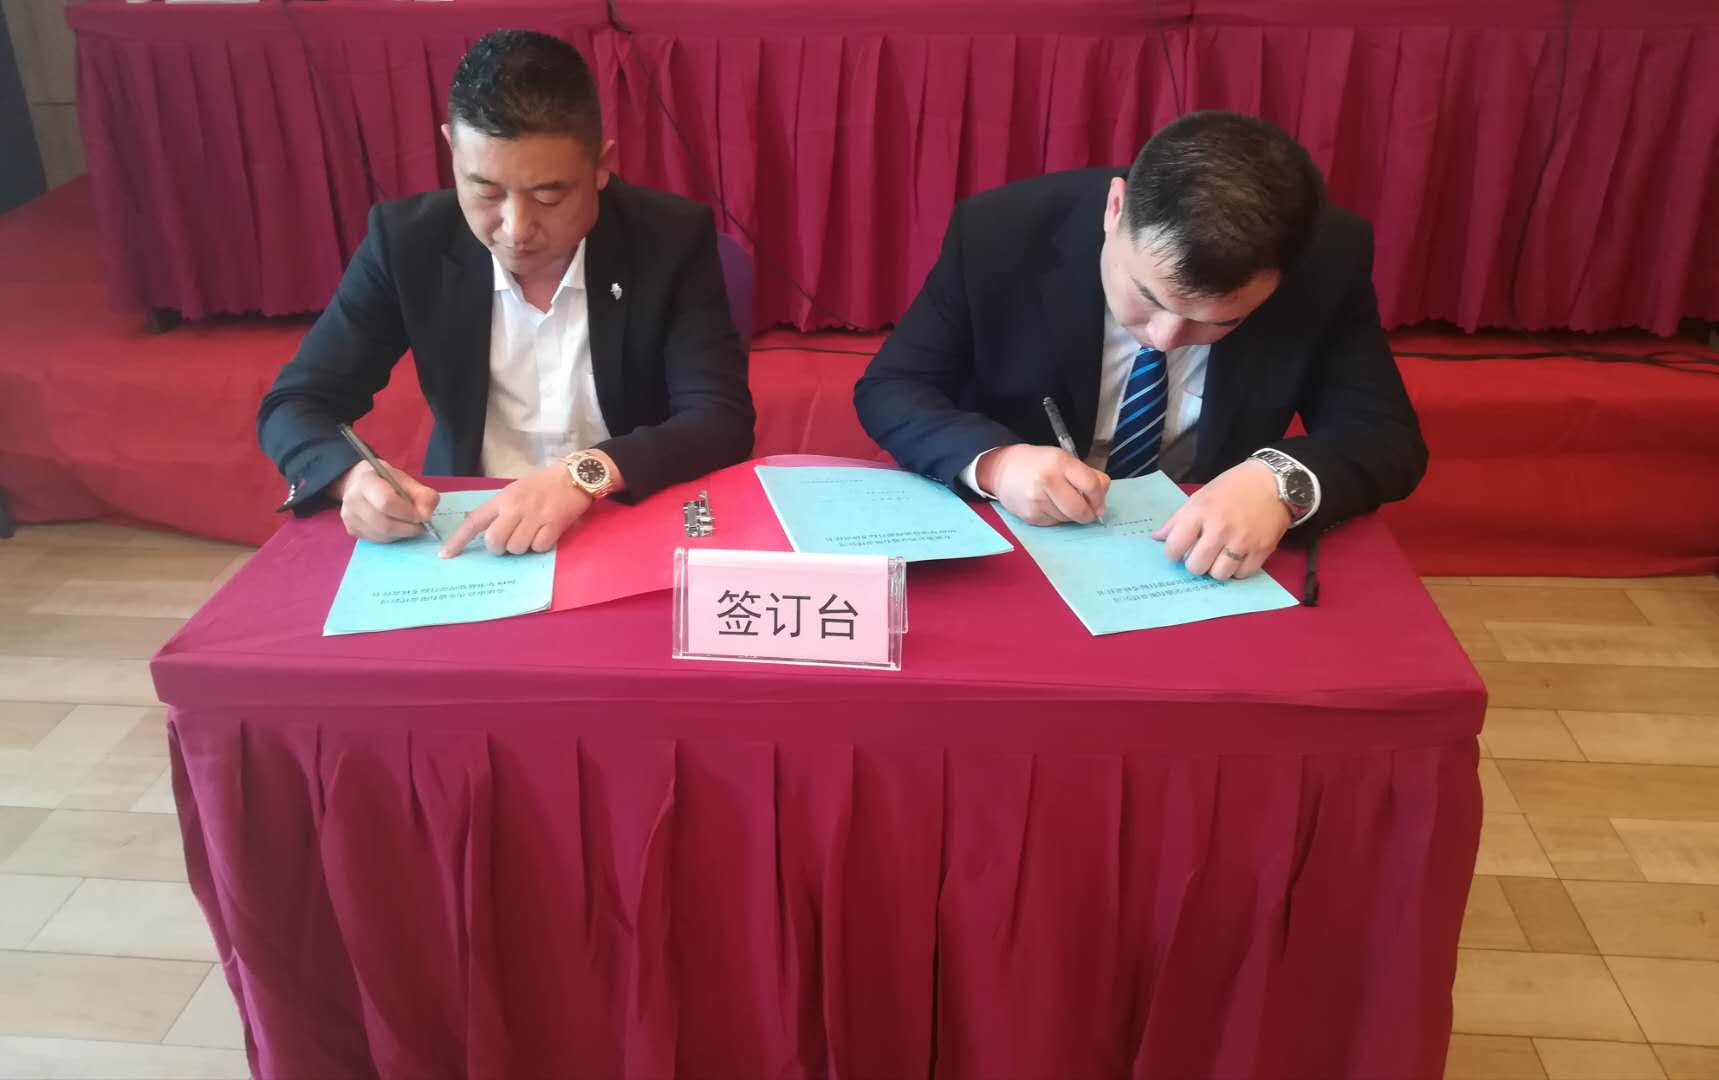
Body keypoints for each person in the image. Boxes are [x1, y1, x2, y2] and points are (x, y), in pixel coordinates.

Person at [853, 110, 1426, 581]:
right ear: (1115, 209)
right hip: (1021, 538)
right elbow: (893, 386)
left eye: (1217, 322)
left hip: (1199, 554)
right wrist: (998, 463)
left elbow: (1385, 437)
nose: (1164, 336)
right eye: (1147, 297)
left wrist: (1279, 480)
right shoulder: (1001, 232)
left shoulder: (1327, 261)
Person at [259, 29, 754, 557]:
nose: (516, 230)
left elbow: (718, 419)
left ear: (600, 165)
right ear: (451, 148)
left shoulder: (669, 239)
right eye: (486, 191)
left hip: (622, 512)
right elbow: (297, 401)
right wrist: (351, 477)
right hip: (473, 528)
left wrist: (582, 475)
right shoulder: (406, 243)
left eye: (548, 196)